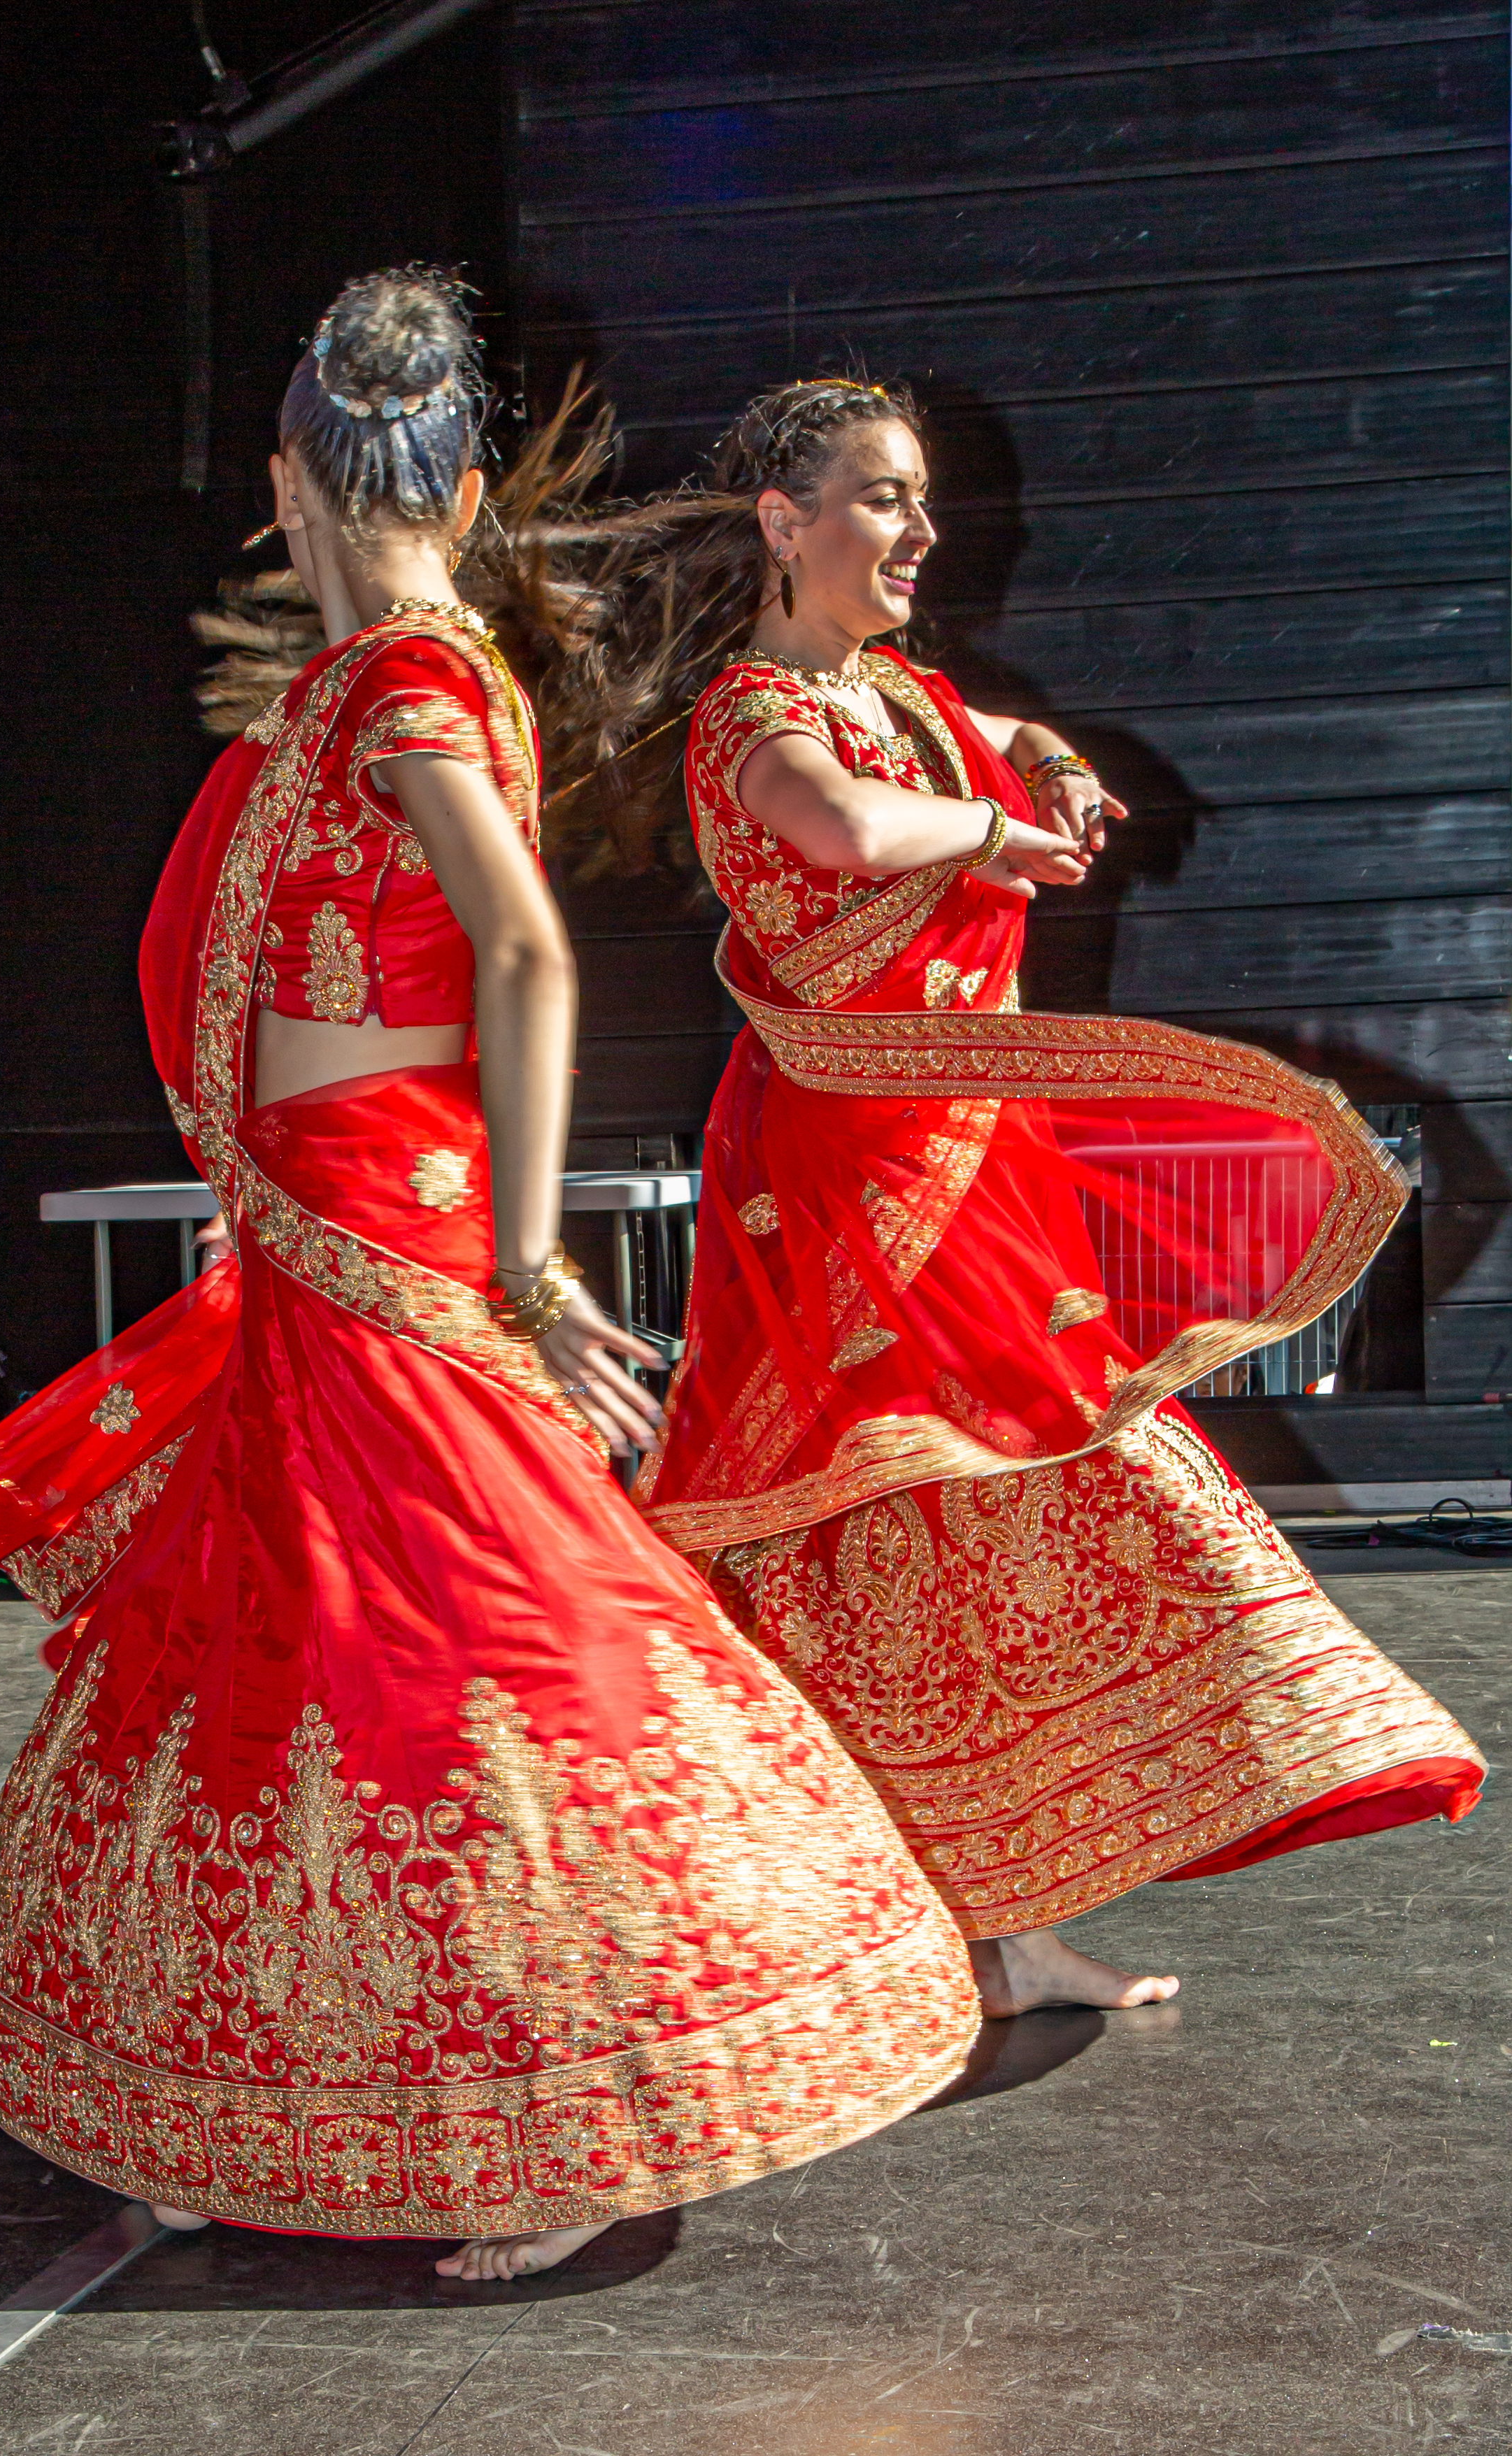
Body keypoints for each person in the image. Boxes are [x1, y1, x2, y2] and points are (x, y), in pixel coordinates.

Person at [0, 290, 982, 2278]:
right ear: (456, 490)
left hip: (398, 1241)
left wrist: (534, 1268)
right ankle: (225, 2072)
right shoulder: (353, 693)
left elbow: (524, 957)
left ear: (285, 482)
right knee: (277, 1645)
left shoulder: (407, 692)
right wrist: (254, 1170)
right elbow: (311, 985)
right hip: (313, 1230)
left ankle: (582, 2117)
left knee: (469, 1635)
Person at [554, 376, 1484, 2016]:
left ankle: (1013, 1925)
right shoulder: (748, 715)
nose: (922, 531)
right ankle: (774, 1912)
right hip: (845, 1179)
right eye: (883, 497)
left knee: (1005, 1504)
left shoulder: (905, 691)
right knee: (888, 1517)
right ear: (786, 523)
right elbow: (840, 828)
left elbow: (991, 747)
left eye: (921, 499)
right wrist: (990, 823)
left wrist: (1043, 764)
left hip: (964, 1158)